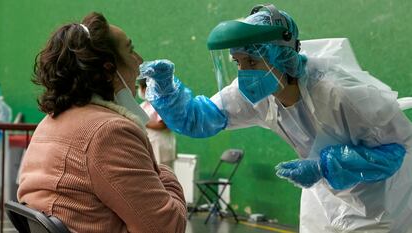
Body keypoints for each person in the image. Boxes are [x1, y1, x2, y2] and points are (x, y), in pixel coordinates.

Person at [139, 4, 412, 233]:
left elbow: (395, 152)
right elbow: (200, 120)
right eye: (239, 63)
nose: (245, 73)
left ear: (281, 57)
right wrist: (166, 91)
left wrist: (325, 167)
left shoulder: (340, 94)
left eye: (253, 62)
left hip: (378, 200)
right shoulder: (256, 93)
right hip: (323, 197)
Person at [17, 12, 186, 233]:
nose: (140, 61)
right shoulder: (109, 132)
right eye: (130, 49)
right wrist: (163, 172)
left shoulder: (48, 124)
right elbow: (166, 228)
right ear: (108, 70)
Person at [137, 77, 176, 168]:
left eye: (141, 87)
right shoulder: (143, 105)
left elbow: (163, 125)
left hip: (161, 145)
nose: (140, 90)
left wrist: (143, 122)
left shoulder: (161, 104)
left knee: (164, 173)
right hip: (148, 144)